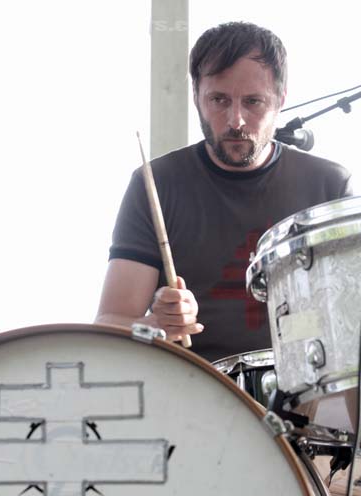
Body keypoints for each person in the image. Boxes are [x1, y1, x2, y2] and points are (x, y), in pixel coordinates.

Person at [95, 21, 353, 363]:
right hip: (193, 392)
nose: (236, 120)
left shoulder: (329, 185)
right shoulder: (155, 183)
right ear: (197, 97)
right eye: (219, 100)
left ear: (280, 101)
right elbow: (109, 323)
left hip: (308, 389)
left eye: (253, 102)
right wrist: (156, 326)